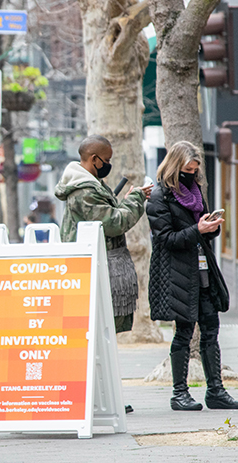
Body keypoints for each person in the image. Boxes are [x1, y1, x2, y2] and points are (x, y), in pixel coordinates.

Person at [147, 141, 238, 411]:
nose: (192, 174)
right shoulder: (159, 197)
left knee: (211, 329)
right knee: (184, 333)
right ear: (175, 166)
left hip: (203, 270)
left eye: (195, 169)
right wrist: (198, 230)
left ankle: (216, 391)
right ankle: (180, 394)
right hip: (177, 274)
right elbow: (165, 239)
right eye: (187, 169)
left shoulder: (196, 191)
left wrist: (210, 228)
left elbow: (199, 231)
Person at [54, 135, 152, 332]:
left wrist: (126, 201)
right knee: (97, 332)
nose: (108, 164)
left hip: (96, 266)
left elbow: (107, 215)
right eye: (106, 160)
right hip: (93, 270)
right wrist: (135, 199)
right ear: (93, 158)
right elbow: (114, 223)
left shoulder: (91, 184)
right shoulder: (85, 191)